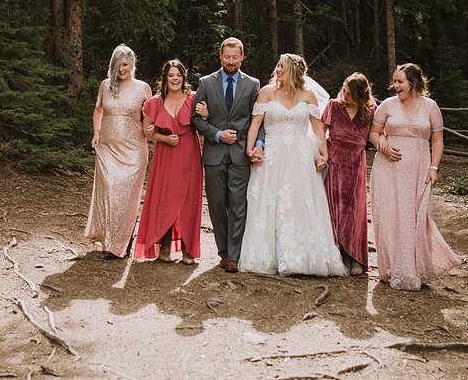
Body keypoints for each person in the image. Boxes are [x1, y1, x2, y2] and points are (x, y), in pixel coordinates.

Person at [239, 54, 347, 276]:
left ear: (295, 71)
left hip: (300, 157)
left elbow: (318, 130)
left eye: (282, 66)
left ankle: (302, 257)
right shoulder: (267, 92)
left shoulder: (308, 95)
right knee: (271, 203)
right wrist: (250, 150)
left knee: (300, 202)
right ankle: (272, 256)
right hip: (274, 157)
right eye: (277, 65)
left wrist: (323, 155)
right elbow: (254, 125)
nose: (278, 69)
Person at [368, 63, 460, 289]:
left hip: (418, 169)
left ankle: (412, 269)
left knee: (414, 218)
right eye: (395, 81)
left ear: (414, 82)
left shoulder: (430, 107)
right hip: (387, 169)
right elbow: (373, 132)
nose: (395, 86)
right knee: (390, 217)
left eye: (400, 81)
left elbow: (437, 140)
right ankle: (391, 268)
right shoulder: (388, 105)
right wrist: (382, 144)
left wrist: (434, 168)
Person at [191, 37, 263, 273]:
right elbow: (194, 119)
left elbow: (258, 119)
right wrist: (217, 133)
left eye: (235, 57)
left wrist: (258, 144)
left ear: (242, 57)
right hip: (214, 153)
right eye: (227, 57)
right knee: (217, 204)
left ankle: (234, 254)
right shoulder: (206, 82)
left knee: (238, 204)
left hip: (241, 153)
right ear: (220, 57)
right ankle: (222, 250)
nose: (231, 61)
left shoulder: (252, 84)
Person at [85, 44, 152, 258]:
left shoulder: (143, 88)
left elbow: (151, 115)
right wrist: (96, 133)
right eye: (117, 65)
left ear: (132, 63)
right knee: (110, 192)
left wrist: (153, 130)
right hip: (107, 148)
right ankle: (109, 239)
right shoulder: (106, 85)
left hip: (133, 150)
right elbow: (98, 110)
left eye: (124, 64)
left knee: (126, 196)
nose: (121, 69)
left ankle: (123, 240)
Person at [134, 59, 203, 264]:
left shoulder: (194, 98)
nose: (175, 79)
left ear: (184, 78)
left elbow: (205, 122)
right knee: (165, 198)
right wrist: (163, 138)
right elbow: (147, 132)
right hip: (166, 156)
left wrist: (206, 114)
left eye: (178, 75)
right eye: (171, 75)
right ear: (164, 78)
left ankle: (187, 248)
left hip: (189, 154)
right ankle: (164, 245)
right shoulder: (154, 102)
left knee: (188, 200)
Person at [322, 72, 376, 276]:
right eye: (343, 90)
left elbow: (375, 132)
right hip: (335, 160)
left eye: (348, 93)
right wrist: (324, 155)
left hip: (356, 162)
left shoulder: (371, 110)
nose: (343, 95)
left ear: (360, 95)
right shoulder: (334, 106)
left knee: (355, 209)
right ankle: (339, 253)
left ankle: (355, 256)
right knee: (335, 207)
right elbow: (320, 130)